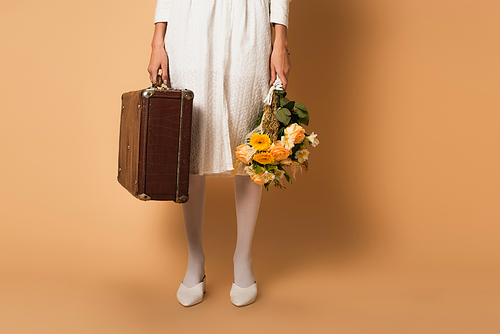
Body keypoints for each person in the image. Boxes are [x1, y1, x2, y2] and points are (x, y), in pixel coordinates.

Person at [147, 0, 291, 307]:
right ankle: (195, 259)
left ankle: (243, 258)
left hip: (248, 24)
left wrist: (280, 40)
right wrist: (157, 40)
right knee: (192, 143)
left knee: (253, 147)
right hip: (189, 28)